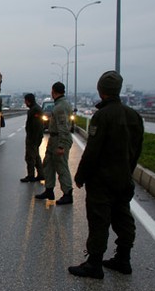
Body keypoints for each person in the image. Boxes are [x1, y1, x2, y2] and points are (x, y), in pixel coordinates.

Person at [68, 71, 144, 279]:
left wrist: (81, 175)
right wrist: (128, 170)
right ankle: (123, 259)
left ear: (101, 91)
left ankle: (94, 264)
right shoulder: (134, 116)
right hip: (123, 179)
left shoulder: (102, 116)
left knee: (99, 221)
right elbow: (137, 150)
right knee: (123, 218)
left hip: (102, 180)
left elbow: (92, 151)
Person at [35, 82, 74, 204]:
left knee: (61, 167)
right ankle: (49, 190)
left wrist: (61, 145)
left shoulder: (60, 107)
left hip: (59, 139)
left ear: (54, 91)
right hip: (54, 139)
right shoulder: (60, 104)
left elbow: (63, 127)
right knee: (48, 164)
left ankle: (67, 193)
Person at [20, 93, 44, 182]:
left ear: (28, 101)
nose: (25, 102)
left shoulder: (34, 110)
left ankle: (31, 176)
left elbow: (36, 126)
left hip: (33, 138)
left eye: (25, 101)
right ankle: (41, 174)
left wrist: (32, 138)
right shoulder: (35, 109)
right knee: (36, 156)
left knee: (30, 157)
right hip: (36, 137)